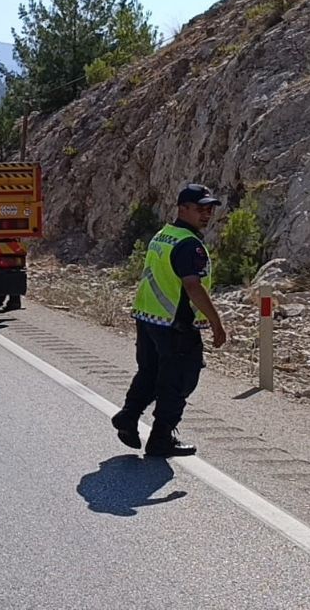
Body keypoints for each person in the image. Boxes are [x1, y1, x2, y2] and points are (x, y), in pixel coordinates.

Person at [112, 183, 227, 457]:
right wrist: (216, 322)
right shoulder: (189, 244)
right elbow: (193, 287)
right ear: (182, 208)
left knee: (150, 373)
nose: (206, 214)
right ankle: (161, 437)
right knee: (179, 380)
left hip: (149, 318)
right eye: (200, 208)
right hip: (176, 325)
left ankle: (129, 416)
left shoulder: (163, 235)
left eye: (210, 208)